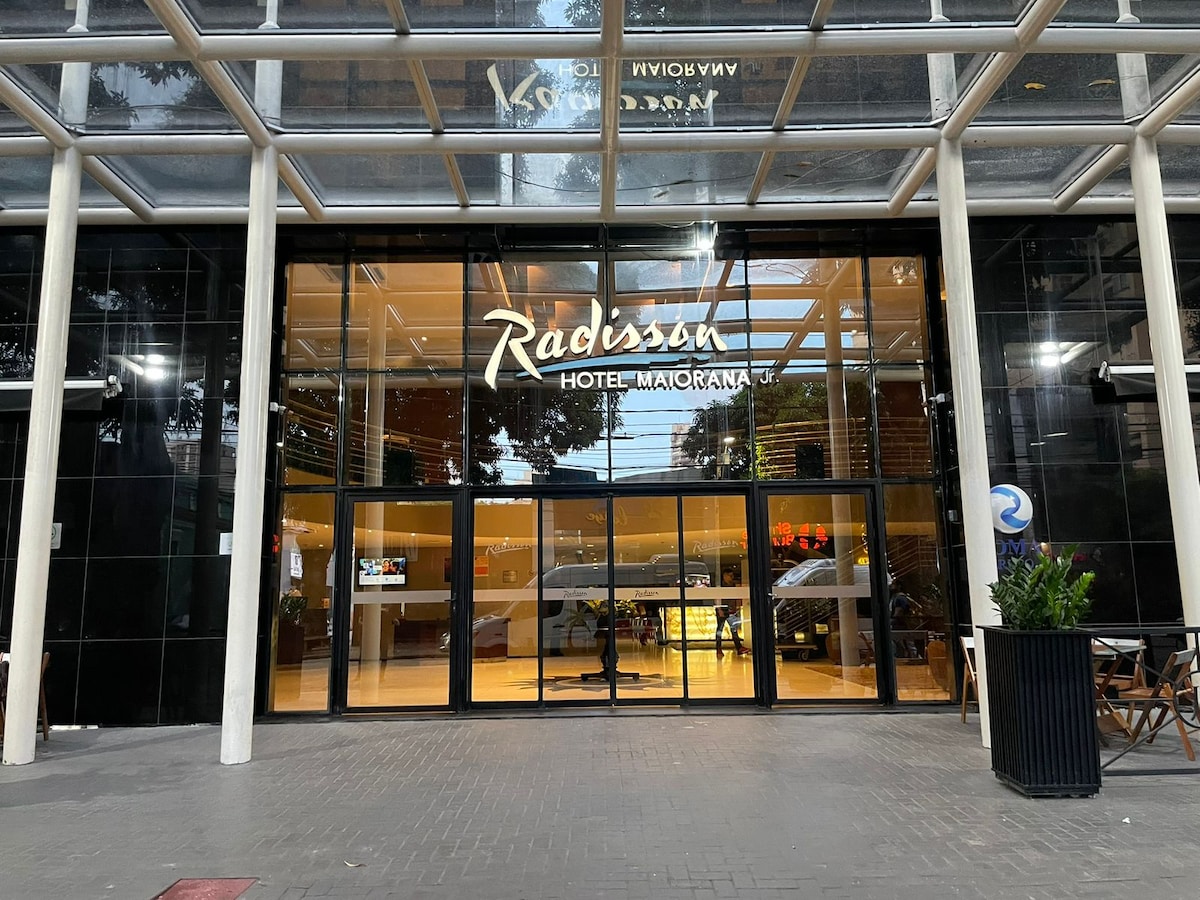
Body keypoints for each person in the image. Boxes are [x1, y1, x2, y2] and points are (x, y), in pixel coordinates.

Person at [714, 569, 750, 658]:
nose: (732, 577)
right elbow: (717, 597)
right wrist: (719, 609)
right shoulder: (720, 586)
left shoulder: (732, 585)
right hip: (723, 609)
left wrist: (736, 607)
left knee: (733, 629)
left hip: (731, 610)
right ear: (725, 575)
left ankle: (739, 647)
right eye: (730, 575)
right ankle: (719, 649)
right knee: (720, 630)